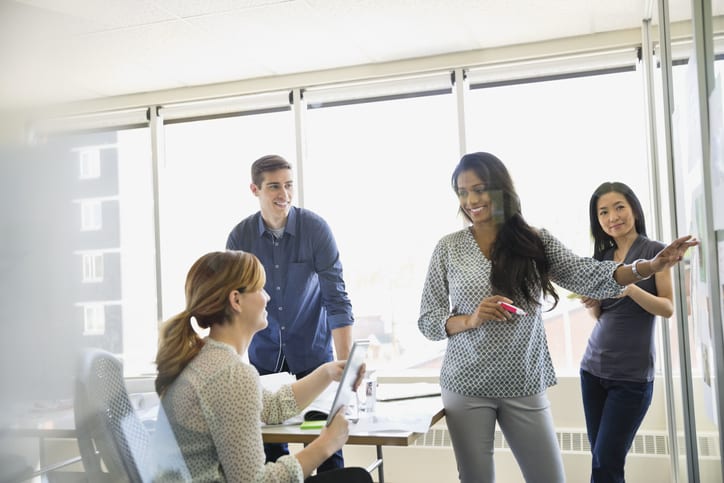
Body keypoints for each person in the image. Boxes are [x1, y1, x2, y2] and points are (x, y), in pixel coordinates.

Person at [417, 152, 697, 483]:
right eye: (462, 192)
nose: (471, 200)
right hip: (466, 383)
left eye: (479, 189)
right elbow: (428, 319)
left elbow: (588, 274)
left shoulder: (535, 240)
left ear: (501, 190)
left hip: (524, 381)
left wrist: (648, 266)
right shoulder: (448, 247)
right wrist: (471, 319)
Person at [154, 250, 371, 483]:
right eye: (259, 289)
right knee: (355, 479)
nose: (267, 297)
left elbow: (273, 408)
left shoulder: (209, 358)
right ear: (236, 300)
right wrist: (327, 444)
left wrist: (327, 372)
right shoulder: (230, 374)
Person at [225, 154, 354, 471]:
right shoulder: (239, 238)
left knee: (325, 450)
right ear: (255, 189)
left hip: (313, 356)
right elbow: (231, 306)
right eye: (273, 187)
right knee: (271, 455)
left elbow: (336, 299)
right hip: (264, 359)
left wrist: (346, 368)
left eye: (288, 185)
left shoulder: (315, 229)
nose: (283, 194)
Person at [578, 181, 674, 483]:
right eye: (603, 212)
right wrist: (592, 303)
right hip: (593, 369)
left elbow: (667, 308)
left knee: (606, 462)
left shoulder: (656, 252)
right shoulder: (601, 259)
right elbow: (601, 315)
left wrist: (630, 287)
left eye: (619, 207)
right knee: (601, 460)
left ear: (633, 208)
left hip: (631, 378)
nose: (612, 217)